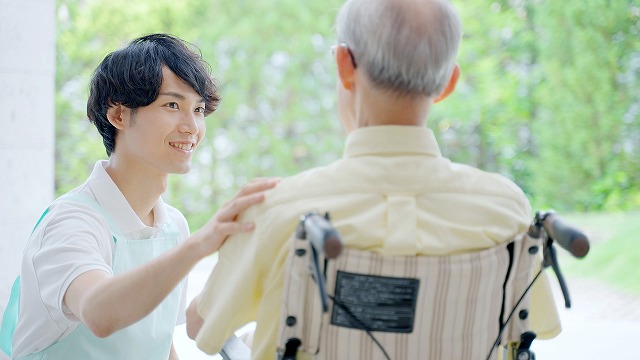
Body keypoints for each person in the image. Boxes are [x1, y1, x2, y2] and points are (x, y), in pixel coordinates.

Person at [187, 0, 561, 358]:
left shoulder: (278, 209)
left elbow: (200, 325)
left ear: (344, 64)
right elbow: (531, 327)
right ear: (448, 82)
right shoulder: (505, 210)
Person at [6, 34, 277, 360]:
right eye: (173, 105)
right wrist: (202, 244)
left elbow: (160, 347)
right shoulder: (71, 222)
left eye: (199, 109)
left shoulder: (173, 225)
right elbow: (99, 313)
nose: (192, 126)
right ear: (118, 115)